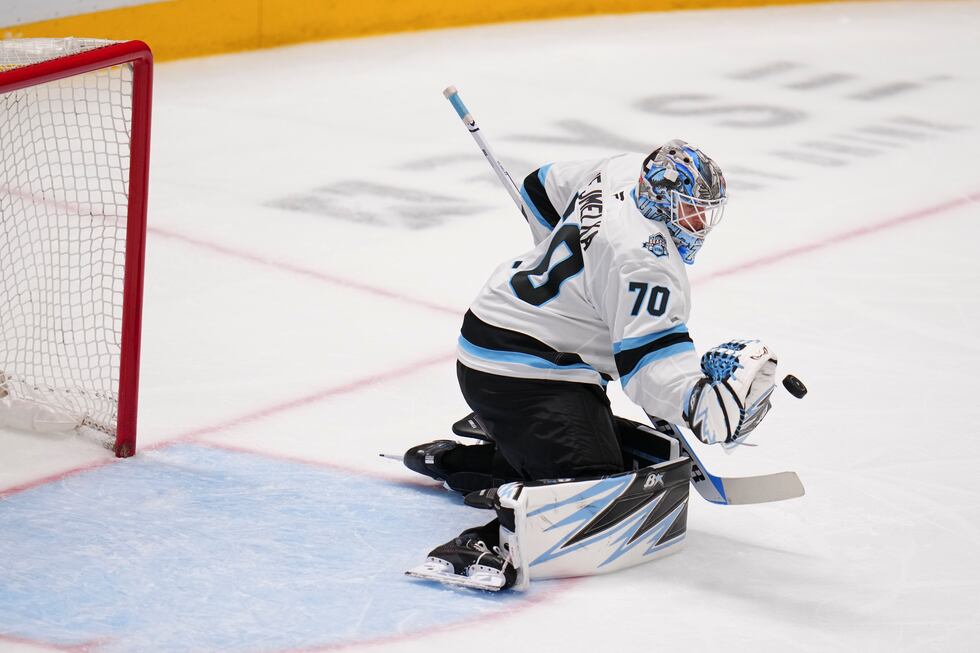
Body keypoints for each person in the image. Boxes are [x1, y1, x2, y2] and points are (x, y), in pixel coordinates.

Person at [404, 140, 778, 590]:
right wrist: (704, 406)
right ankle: (489, 540)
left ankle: (471, 457)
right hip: (527, 374)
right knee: (597, 486)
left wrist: (578, 263)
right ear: (659, 199)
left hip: (500, 341)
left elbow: (539, 188)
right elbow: (647, 368)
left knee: (615, 459)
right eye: (689, 210)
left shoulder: (619, 172)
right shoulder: (645, 264)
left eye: (703, 211)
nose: (698, 224)